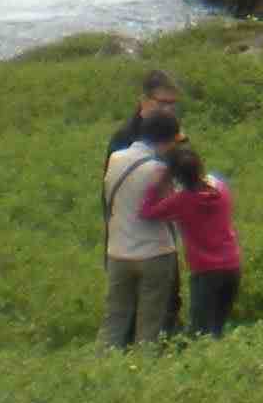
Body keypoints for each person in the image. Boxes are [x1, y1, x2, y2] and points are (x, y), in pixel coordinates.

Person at [139, 138, 243, 338]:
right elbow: (213, 178)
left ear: (175, 176)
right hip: (232, 266)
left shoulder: (180, 201)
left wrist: (158, 184)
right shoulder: (221, 188)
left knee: (199, 333)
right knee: (217, 329)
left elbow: (147, 212)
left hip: (205, 272)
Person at [99, 109, 182, 349]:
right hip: (154, 254)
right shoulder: (158, 170)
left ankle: (104, 366)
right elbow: (173, 209)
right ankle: (145, 366)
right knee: (150, 325)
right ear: (166, 140)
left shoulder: (115, 159)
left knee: (114, 321)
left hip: (118, 253)